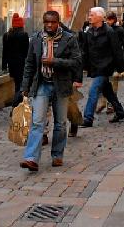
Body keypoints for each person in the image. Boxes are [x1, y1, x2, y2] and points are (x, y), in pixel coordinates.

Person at [18, 10, 82, 171]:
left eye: (53, 22)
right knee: (37, 122)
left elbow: (76, 61)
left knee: (60, 123)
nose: (49, 25)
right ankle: (31, 158)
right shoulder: (37, 39)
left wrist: (54, 61)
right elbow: (29, 64)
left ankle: (57, 155)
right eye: (47, 22)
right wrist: (25, 87)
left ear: (58, 22)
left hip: (61, 85)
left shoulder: (69, 39)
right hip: (42, 84)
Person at [81, 7, 124, 127]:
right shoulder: (89, 32)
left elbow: (117, 51)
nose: (89, 17)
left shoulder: (109, 31)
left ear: (100, 17)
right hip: (94, 67)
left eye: (92, 15)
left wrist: (120, 67)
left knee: (93, 90)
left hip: (106, 67)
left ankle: (88, 118)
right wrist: (83, 65)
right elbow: (85, 50)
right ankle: (120, 112)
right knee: (108, 92)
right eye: (89, 15)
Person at [2, 13, 30, 107]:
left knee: (17, 84)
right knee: (20, 85)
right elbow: (27, 52)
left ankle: (17, 105)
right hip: (22, 64)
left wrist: (3, 66)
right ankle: (16, 105)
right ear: (21, 25)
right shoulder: (24, 35)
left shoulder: (6, 35)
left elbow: (4, 52)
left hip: (12, 65)